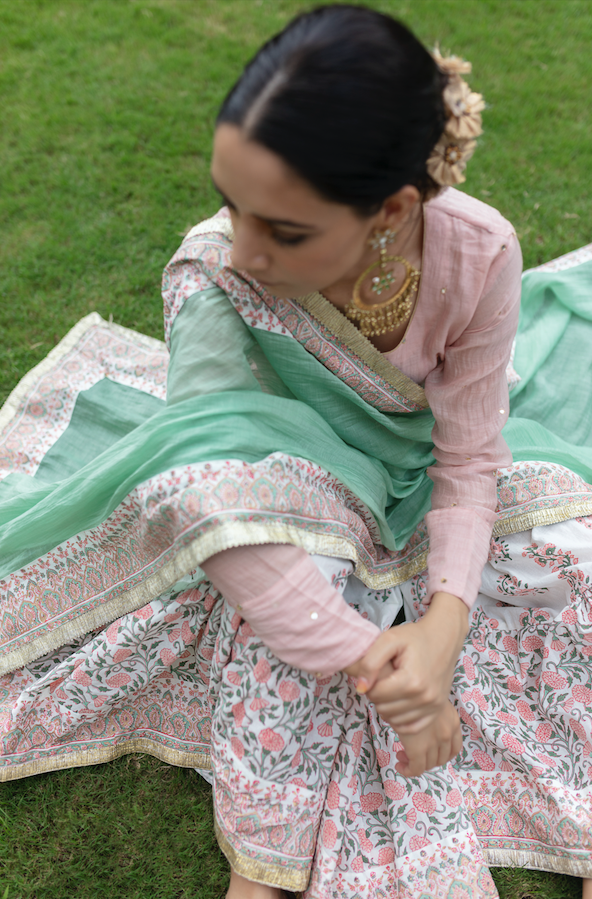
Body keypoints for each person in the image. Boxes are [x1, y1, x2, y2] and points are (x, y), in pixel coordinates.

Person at [1, 5, 592, 898]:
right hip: (292, 500)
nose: (245, 250)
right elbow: (219, 506)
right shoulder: (212, 275)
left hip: (416, 482)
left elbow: (469, 462)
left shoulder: (478, 252)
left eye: (285, 229)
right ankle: (269, 852)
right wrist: (375, 664)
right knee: (294, 599)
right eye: (232, 203)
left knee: (571, 571)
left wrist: (442, 630)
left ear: (392, 211)